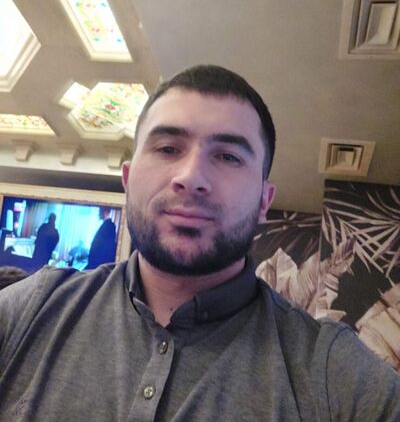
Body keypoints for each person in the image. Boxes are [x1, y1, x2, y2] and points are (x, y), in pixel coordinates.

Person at [0, 65, 399, 421]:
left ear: (264, 202)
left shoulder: (332, 373)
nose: (191, 177)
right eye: (167, 148)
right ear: (128, 179)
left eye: (228, 157)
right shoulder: (33, 307)